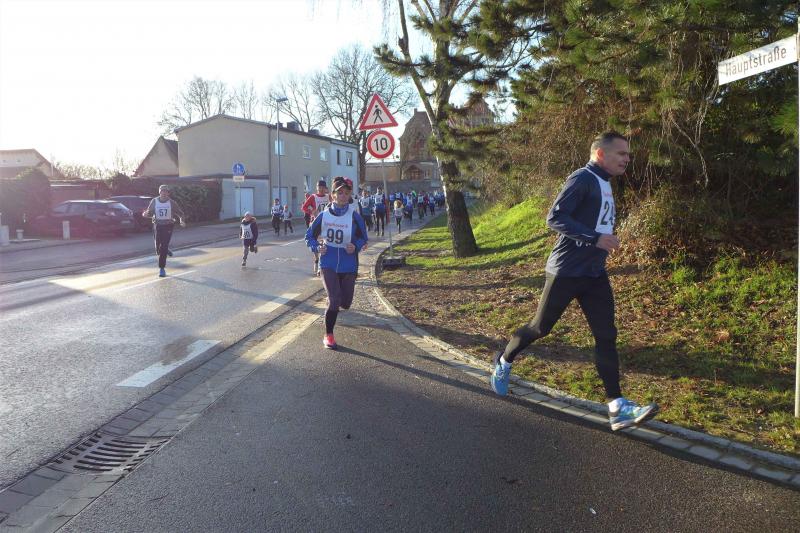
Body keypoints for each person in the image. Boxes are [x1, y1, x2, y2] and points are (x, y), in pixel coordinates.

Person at [490, 131, 659, 432]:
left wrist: (600, 241)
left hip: (594, 273)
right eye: (621, 153)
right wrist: (595, 238)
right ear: (601, 154)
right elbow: (555, 217)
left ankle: (617, 406)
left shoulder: (605, 182)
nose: (627, 159)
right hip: (566, 271)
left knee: (606, 335)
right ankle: (504, 360)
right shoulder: (582, 178)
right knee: (539, 328)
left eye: (628, 154)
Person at [305, 176, 368, 349]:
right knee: (334, 300)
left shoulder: (354, 216)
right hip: (328, 262)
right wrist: (317, 247)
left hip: (348, 264)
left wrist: (355, 246)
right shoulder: (324, 216)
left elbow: (364, 237)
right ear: (332, 195)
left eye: (346, 193)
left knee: (345, 303)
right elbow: (309, 236)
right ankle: (329, 335)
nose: (343, 196)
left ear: (349, 196)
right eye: (340, 193)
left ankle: (333, 303)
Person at [142, 184, 186, 277]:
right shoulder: (154, 201)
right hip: (157, 225)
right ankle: (166, 250)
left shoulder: (172, 203)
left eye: (166, 191)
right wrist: (145, 214)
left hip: (168, 226)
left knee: (163, 246)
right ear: (159, 192)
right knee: (158, 249)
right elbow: (150, 213)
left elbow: (180, 213)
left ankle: (162, 268)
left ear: (168, 193)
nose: (164, 193)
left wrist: (181, 221)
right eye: (162, 191)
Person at [301, 180, 330, 275]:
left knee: (324, 244)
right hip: (315, 223)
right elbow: (304, 207)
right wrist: (312, 211)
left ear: (325, 188)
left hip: (326, 223)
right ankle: (316, 259)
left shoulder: (328, 197)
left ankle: (321, 267)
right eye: (319, 187)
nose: (321, 189)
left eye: (323, 187)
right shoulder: (313, 197)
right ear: (317, 188)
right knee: (316, 244)